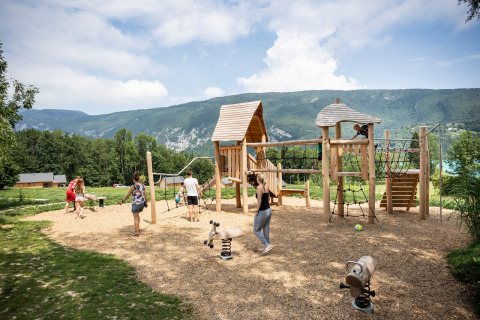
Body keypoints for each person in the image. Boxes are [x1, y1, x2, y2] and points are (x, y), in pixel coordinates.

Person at [119, 172, 148, 237]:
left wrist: (122, 201)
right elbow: (145, 195)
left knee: (135, 217)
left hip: (135, 204)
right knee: (137, 216)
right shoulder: (143, 185)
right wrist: (146, 202)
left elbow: (128, 195)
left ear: (133, 179)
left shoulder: (133, 186)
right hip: (142, 203)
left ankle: (137, 232)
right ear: (138, 179)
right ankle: (138, 228)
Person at [254, 173, 273, 254]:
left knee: (256, 230)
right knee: (266, 229)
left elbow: (259, 200)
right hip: (268, 210)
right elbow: (268, 198)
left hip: (262, 211)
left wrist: (257, 211)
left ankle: (266, 245)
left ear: (258, 179)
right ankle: (267, 247)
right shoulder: (266, 187)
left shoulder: (259, 187)